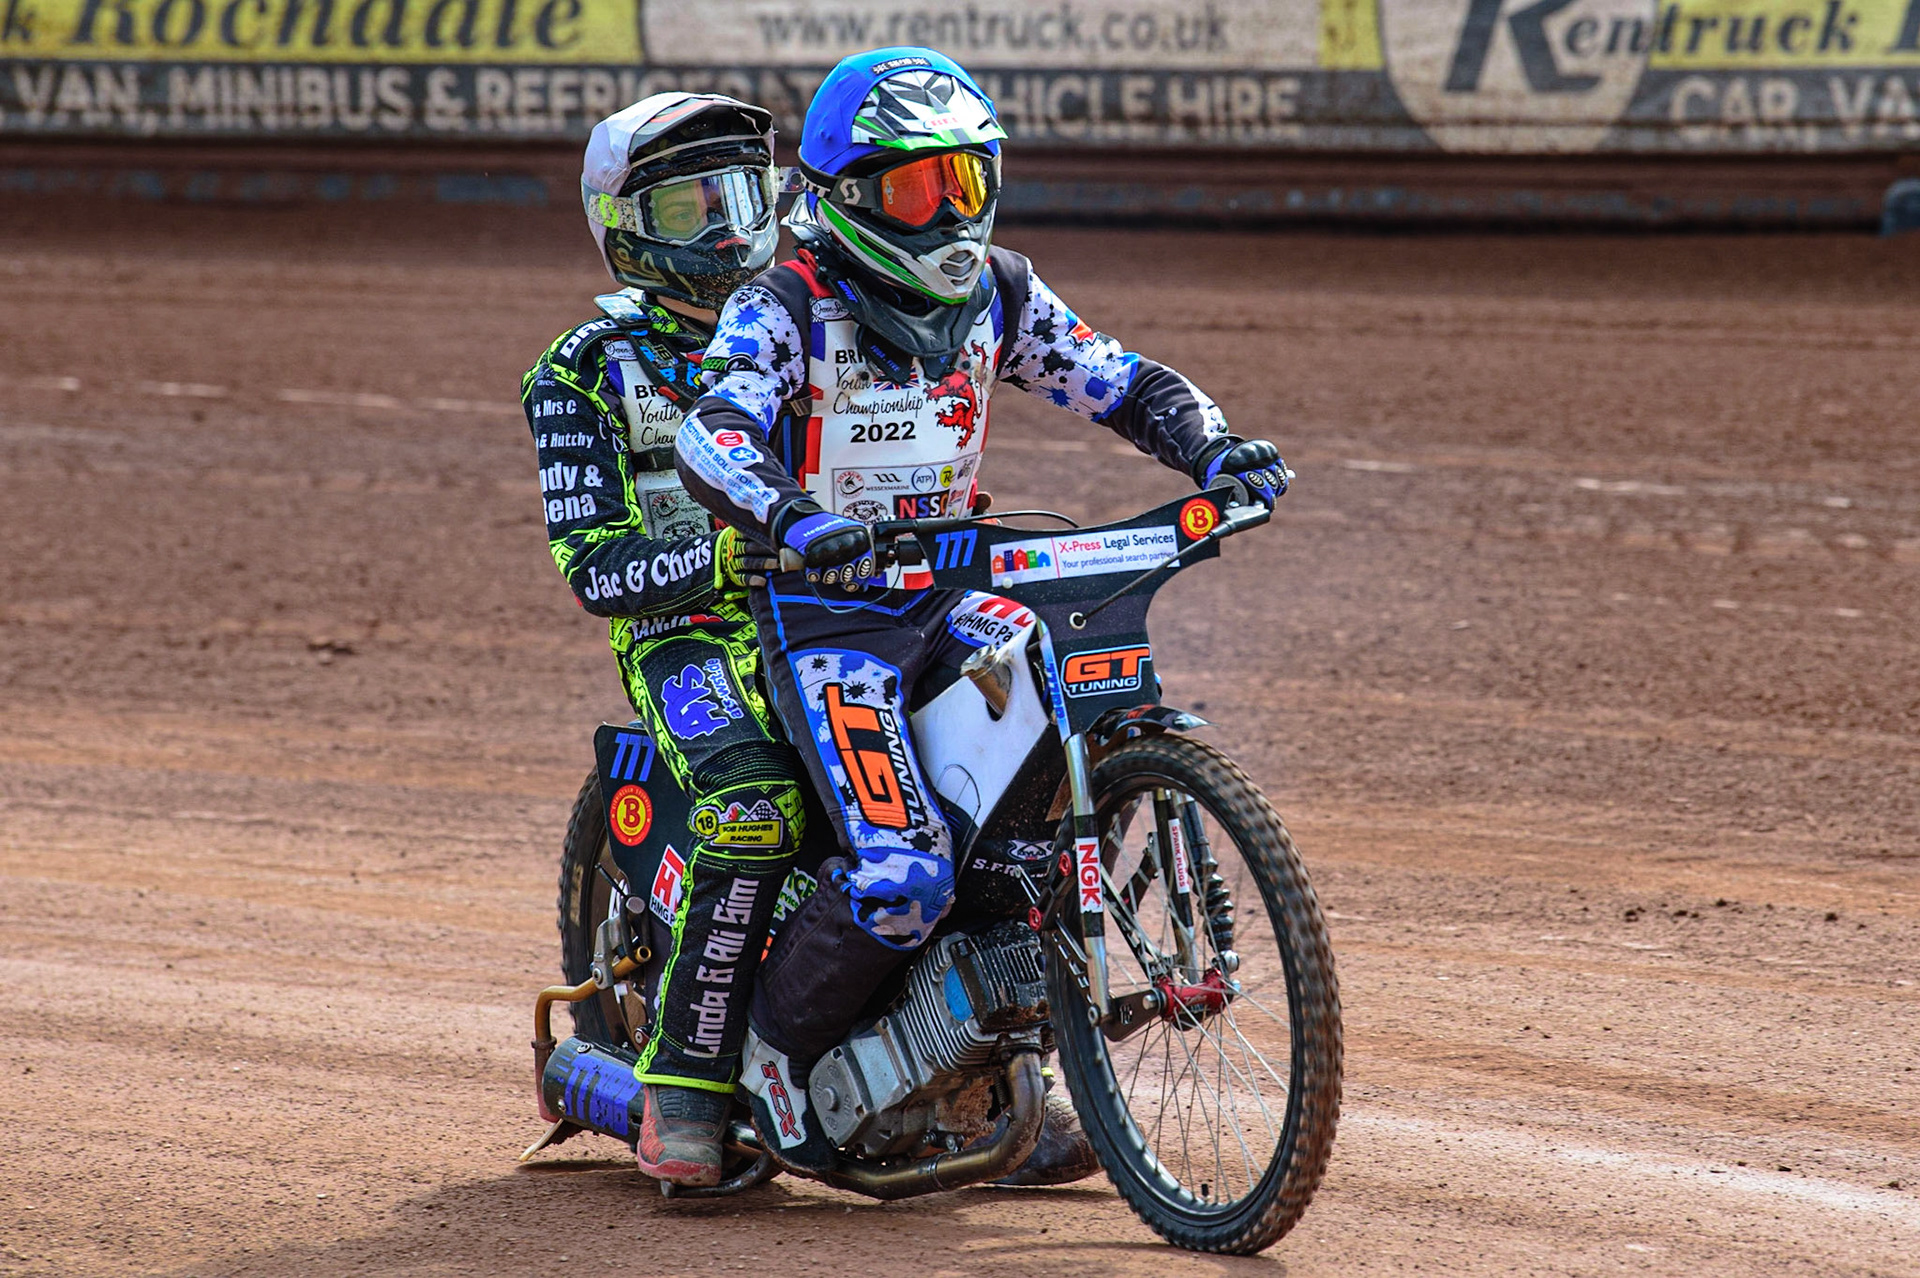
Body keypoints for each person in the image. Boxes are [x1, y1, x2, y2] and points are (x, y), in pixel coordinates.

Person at [673, 48, 1289, 1166]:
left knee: (1048, 720)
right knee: (903, 877)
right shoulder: (785, 304)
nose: (952, 212)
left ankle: (989, 1073)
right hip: (830, 625)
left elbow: (1124, 379)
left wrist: (1216, 449)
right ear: (849, 194)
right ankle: (767, 1056)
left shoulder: (1003, 291)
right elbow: (711, 432)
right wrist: (796, 520)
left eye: (970, 180)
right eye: (921, 189)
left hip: (958, 601)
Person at [521, 91, 808, 1188]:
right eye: (694, 206)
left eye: (742, 195)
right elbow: (596, 569)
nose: (730, 229)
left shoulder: (805, 324)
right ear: (628, 226)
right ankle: (677, 1090)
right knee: (752, 805)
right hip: (682, 636)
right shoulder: (581, 371)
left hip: (839, 615)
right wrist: (723, 560)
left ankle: (999, 1058)